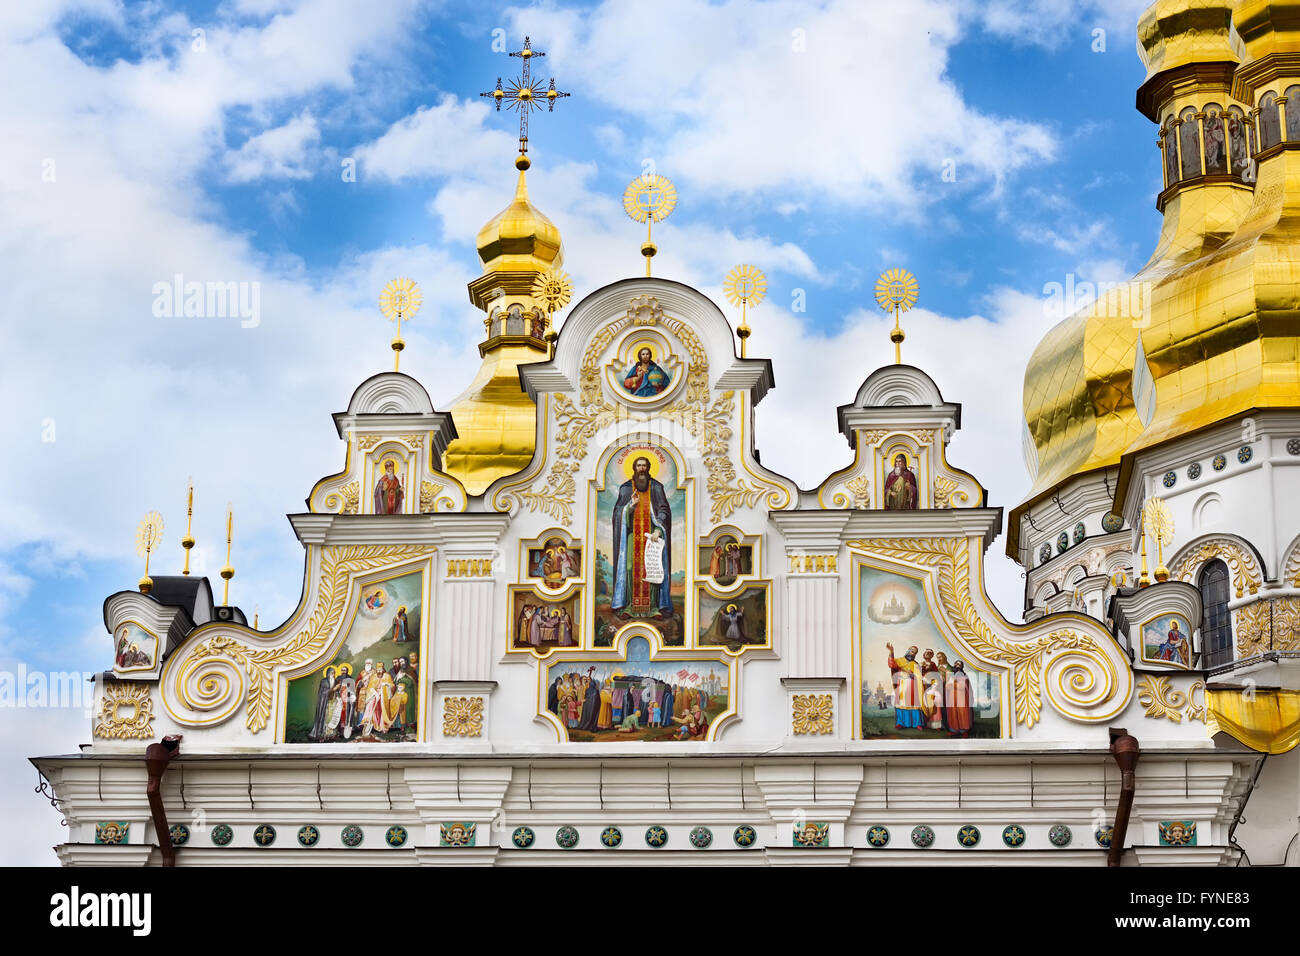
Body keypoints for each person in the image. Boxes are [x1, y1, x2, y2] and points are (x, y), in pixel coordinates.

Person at [611, 456, 673, 619]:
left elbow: (664, 510)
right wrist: (630, 506)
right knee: (630, 568)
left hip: (651, 537)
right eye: (638, 465)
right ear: (634, 467)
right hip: (632, 537)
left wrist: (659, 529)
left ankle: (653, 608)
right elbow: (617, 513)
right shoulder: (625, 489)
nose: (641, 468)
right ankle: (630, 607)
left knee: (651, 569)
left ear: (648, 467)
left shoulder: (657, 488)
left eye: (644, 465)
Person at [885, 643, 925, 729]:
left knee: (915, 703)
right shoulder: (900, 660)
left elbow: (920, 676)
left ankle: (917, 723)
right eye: (912, 651)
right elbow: (891, 664)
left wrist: (914, 675)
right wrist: (891, 652)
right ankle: (901, 723)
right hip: (902, 685)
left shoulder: (915, 664)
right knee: (901, 703)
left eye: (915, 653)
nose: (913, 653)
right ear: (908, 651)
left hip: (913, 686)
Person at [944, 661, 974, 737]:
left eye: (959, 664)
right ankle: (954, 730)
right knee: (953, 713)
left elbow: (962, 687)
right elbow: (947, 686)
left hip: (961, 698)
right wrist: (952, 684)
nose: (956, 665)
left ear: (961, 667)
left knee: (962, 713)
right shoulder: (951, 676)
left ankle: (964, 731)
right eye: (955, 664)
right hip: (952, 697)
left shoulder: (964, 676)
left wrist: (953, 683)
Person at [311, 667, 336, 739]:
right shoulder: (324, 681)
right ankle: (320, 732)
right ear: (328, 673)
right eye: (332, 673)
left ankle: (329, 732)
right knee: (323, 716)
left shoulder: (334, 681)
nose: (333, 675)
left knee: (330, 717)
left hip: (331, 702)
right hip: (324, 701)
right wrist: (333, 689)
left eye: (334, 673)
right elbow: (323, 692)